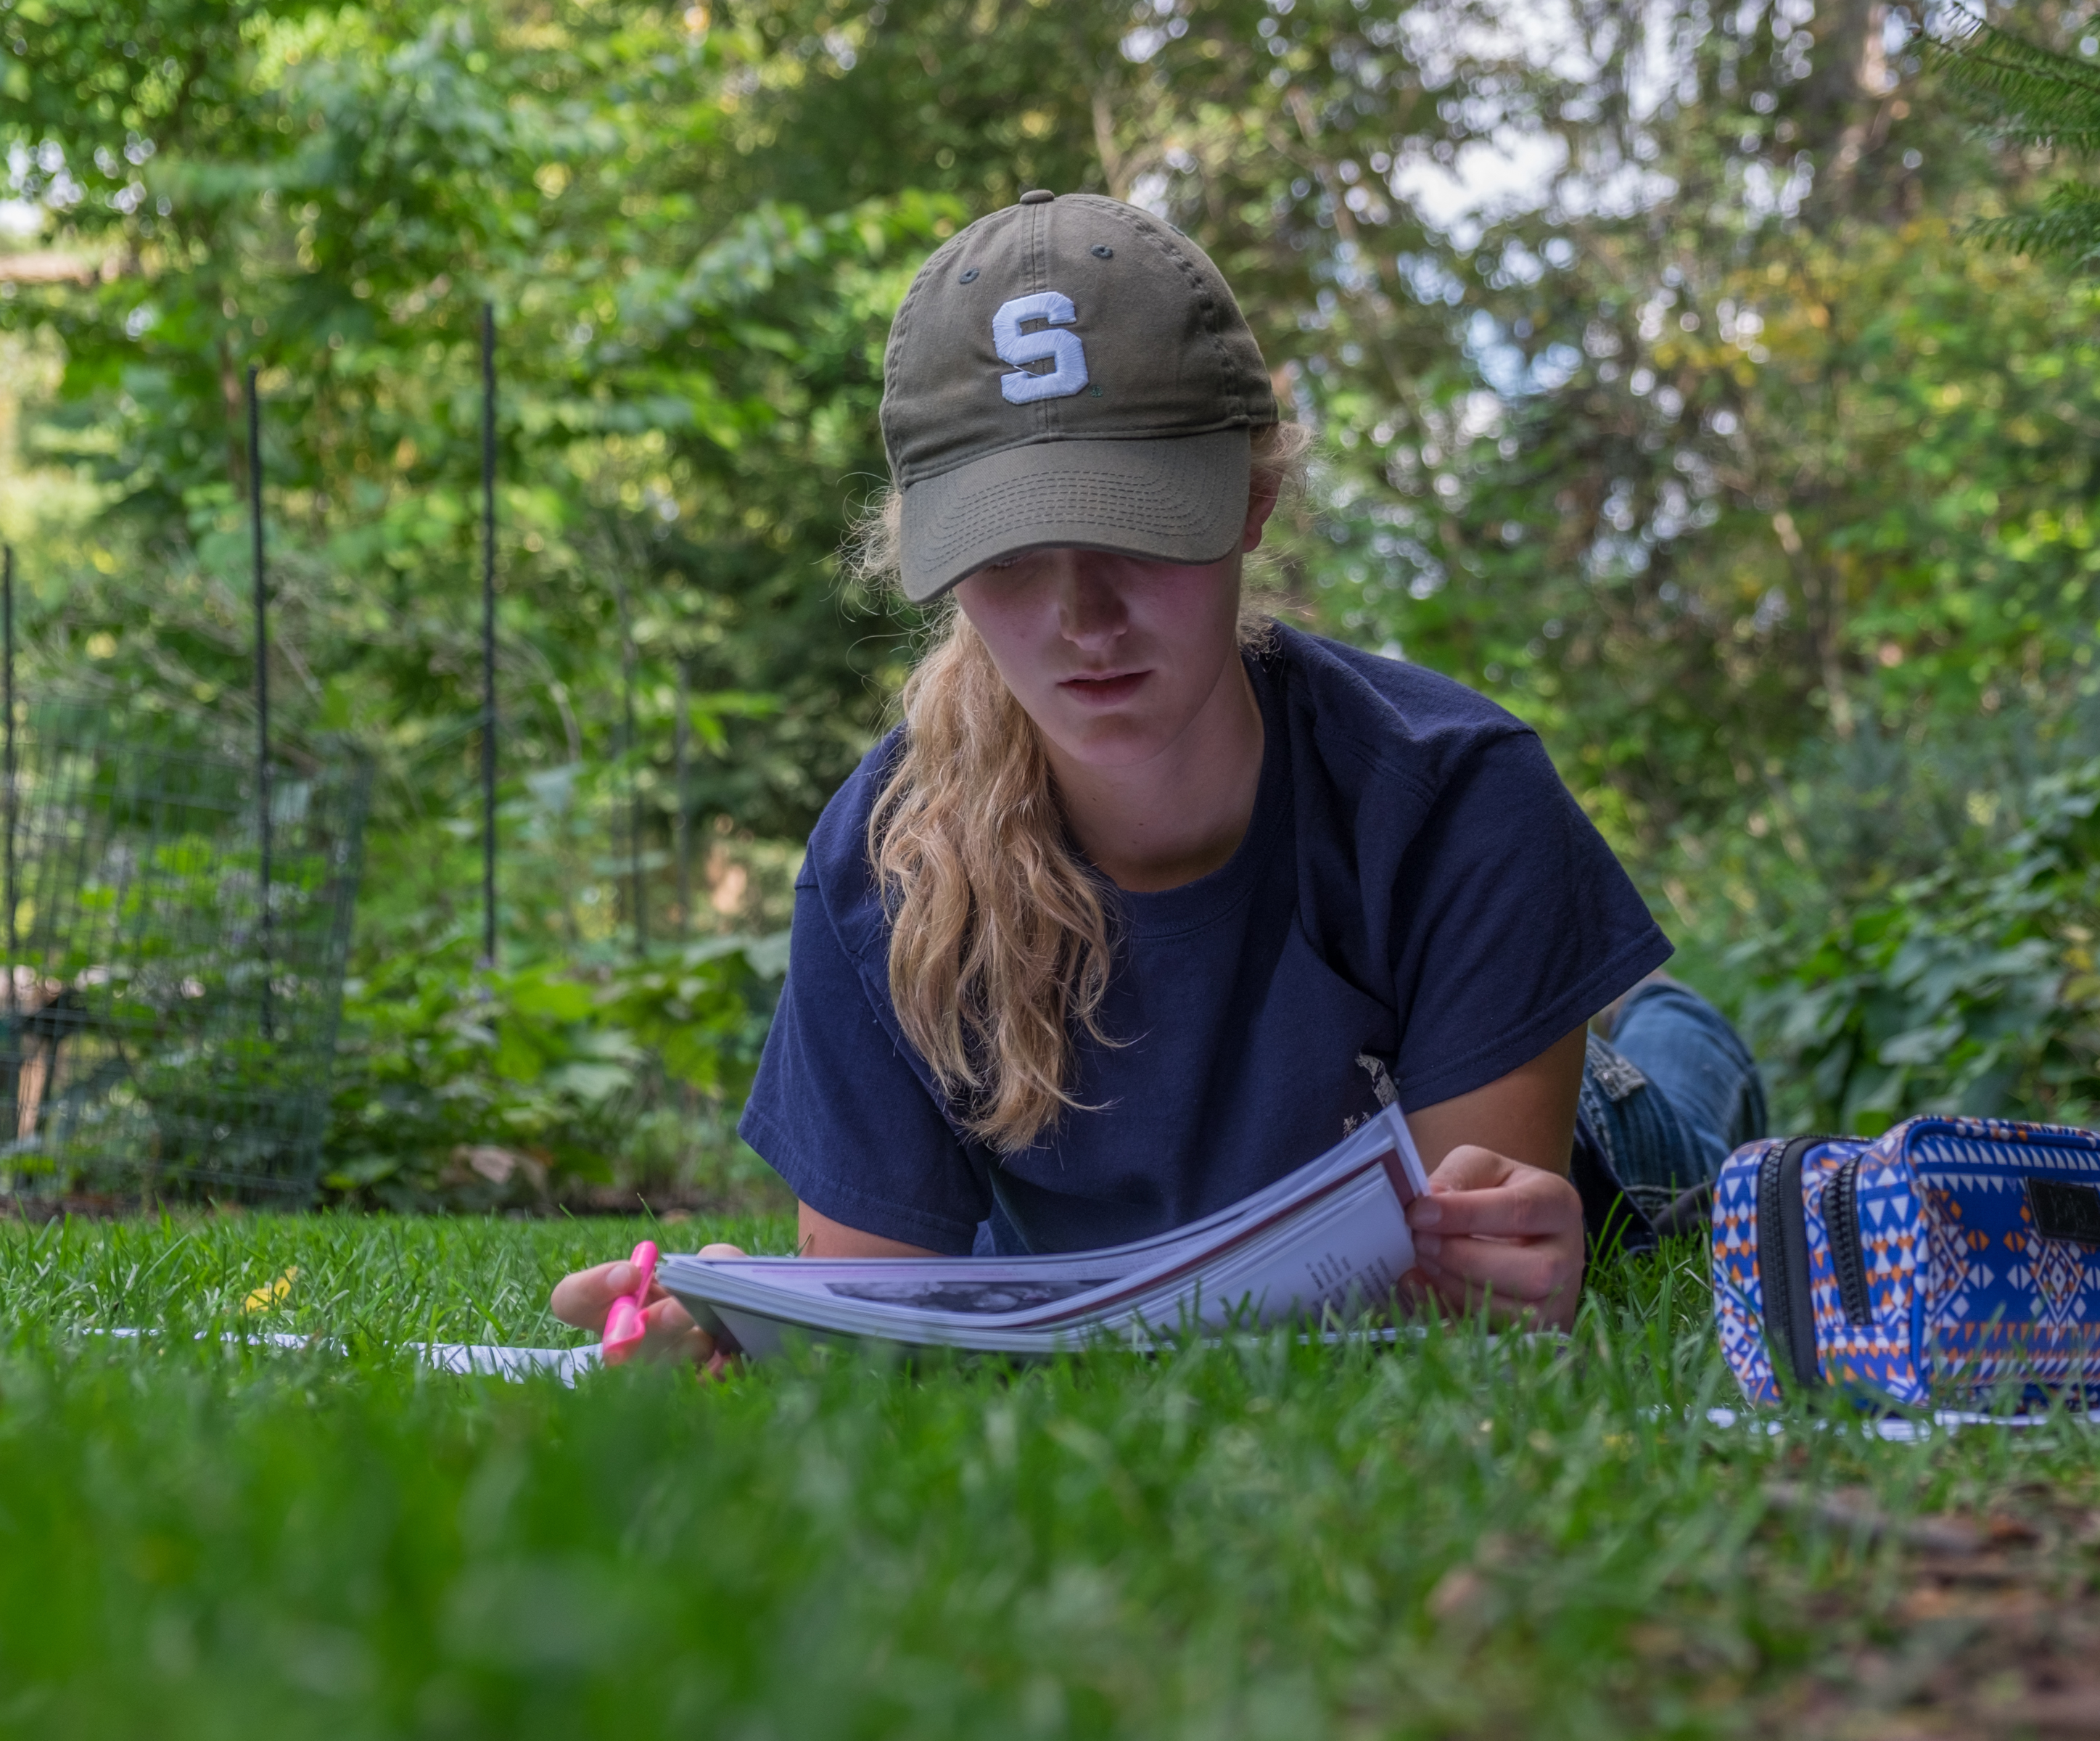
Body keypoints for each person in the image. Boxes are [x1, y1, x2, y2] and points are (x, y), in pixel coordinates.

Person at [551, 189, 1766, 1365]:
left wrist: (1510, 1267)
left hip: (1604, 1133)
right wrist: (743, 1335)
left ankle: (1679, 1029)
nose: (1084, 617)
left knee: (1683, 1121)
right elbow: (878, 1324)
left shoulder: (1456, 795)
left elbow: (1464, 1311)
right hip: (1146, 1257)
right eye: (1012, 553)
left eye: (1135, 528)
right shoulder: (883, 868)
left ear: (1252, 499)